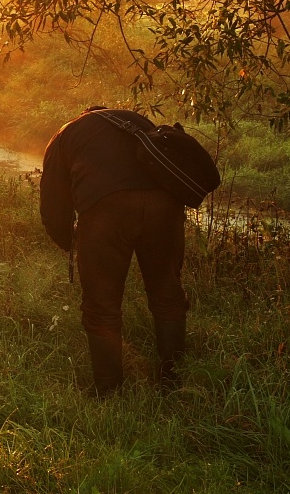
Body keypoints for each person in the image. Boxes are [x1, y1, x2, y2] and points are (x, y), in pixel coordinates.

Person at [39, 105, 190, 397]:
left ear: (83, 114)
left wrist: (69, 241)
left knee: (102, 305)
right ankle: (174, 381)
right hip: (164, 205)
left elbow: (53, 204)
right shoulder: (135, 121)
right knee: (168, 295)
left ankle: (108, 390)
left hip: (106, 209)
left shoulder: (66, 133)